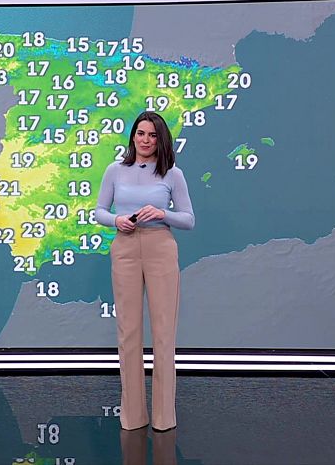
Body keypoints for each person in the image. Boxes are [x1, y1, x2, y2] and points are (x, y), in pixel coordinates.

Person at [95, 111, 195, 432]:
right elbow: (99, 211)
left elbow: (189, 219)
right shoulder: (115, 171)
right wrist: (116, 220)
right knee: (128, 333)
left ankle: (164, 417)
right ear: (133, 136)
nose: (146, 140)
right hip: (124, 247)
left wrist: (163, 212)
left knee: (164, 334)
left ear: (160, 139)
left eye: (152, 135)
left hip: (160, 247)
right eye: (140, 134)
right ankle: (133, 416)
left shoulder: (172, 175)